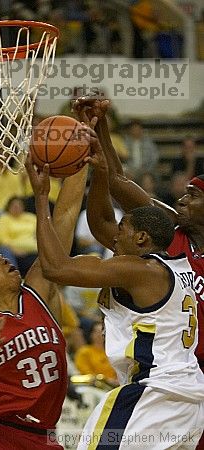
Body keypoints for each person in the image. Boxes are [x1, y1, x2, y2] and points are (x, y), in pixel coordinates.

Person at [26, 134, 204, 449]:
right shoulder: (180, 265)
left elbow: (54, 268)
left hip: (153, 395)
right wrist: (102, 172)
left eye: (122, 232)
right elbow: (102, 219)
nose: (113, 239)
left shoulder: (140, 269)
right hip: (187, 402)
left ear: (141, 239)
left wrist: (41, 198)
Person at [74, 96, 204, 449]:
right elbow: (116, 181)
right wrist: (101, 127)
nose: (181, 199)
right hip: (176, 377)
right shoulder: (167, 234)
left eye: (193, 195)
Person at [0, 163, 88, 450]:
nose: (5, 261)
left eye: (3, 257)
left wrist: (80, 153)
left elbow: (66, 217)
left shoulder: (38, 291)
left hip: (42, 437)